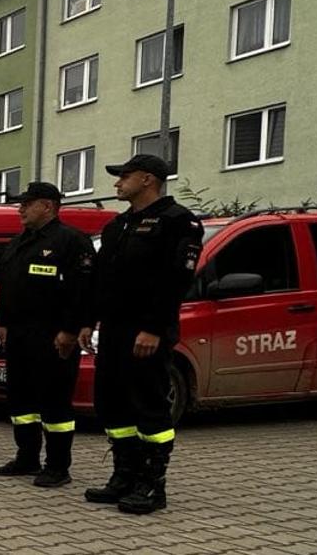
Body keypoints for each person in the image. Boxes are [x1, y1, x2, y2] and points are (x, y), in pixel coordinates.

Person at [84, 155, 202, 515]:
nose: (117, 183)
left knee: (148, 405)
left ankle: (152, 484)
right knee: (112, 402)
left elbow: (175, 282)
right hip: (115, 330)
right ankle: (125, 475)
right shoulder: (117, 226)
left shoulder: (178, 222)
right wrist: (89, 321)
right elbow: (102, 281)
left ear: (148, 179)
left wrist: (153, 328)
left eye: (124, 177)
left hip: (147, 329)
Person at [0, 181, 96, 488]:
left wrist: (69, 330)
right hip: (19, 335)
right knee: (21, 400)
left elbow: (82, 292)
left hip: (53, 336)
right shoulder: (19, 242)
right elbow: (8, 287)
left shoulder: (71, 241)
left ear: (48, 206)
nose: (21, 209)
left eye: (27, 203)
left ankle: (57, 465)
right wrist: (2, 321)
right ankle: (27, 457)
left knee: (54, 402)